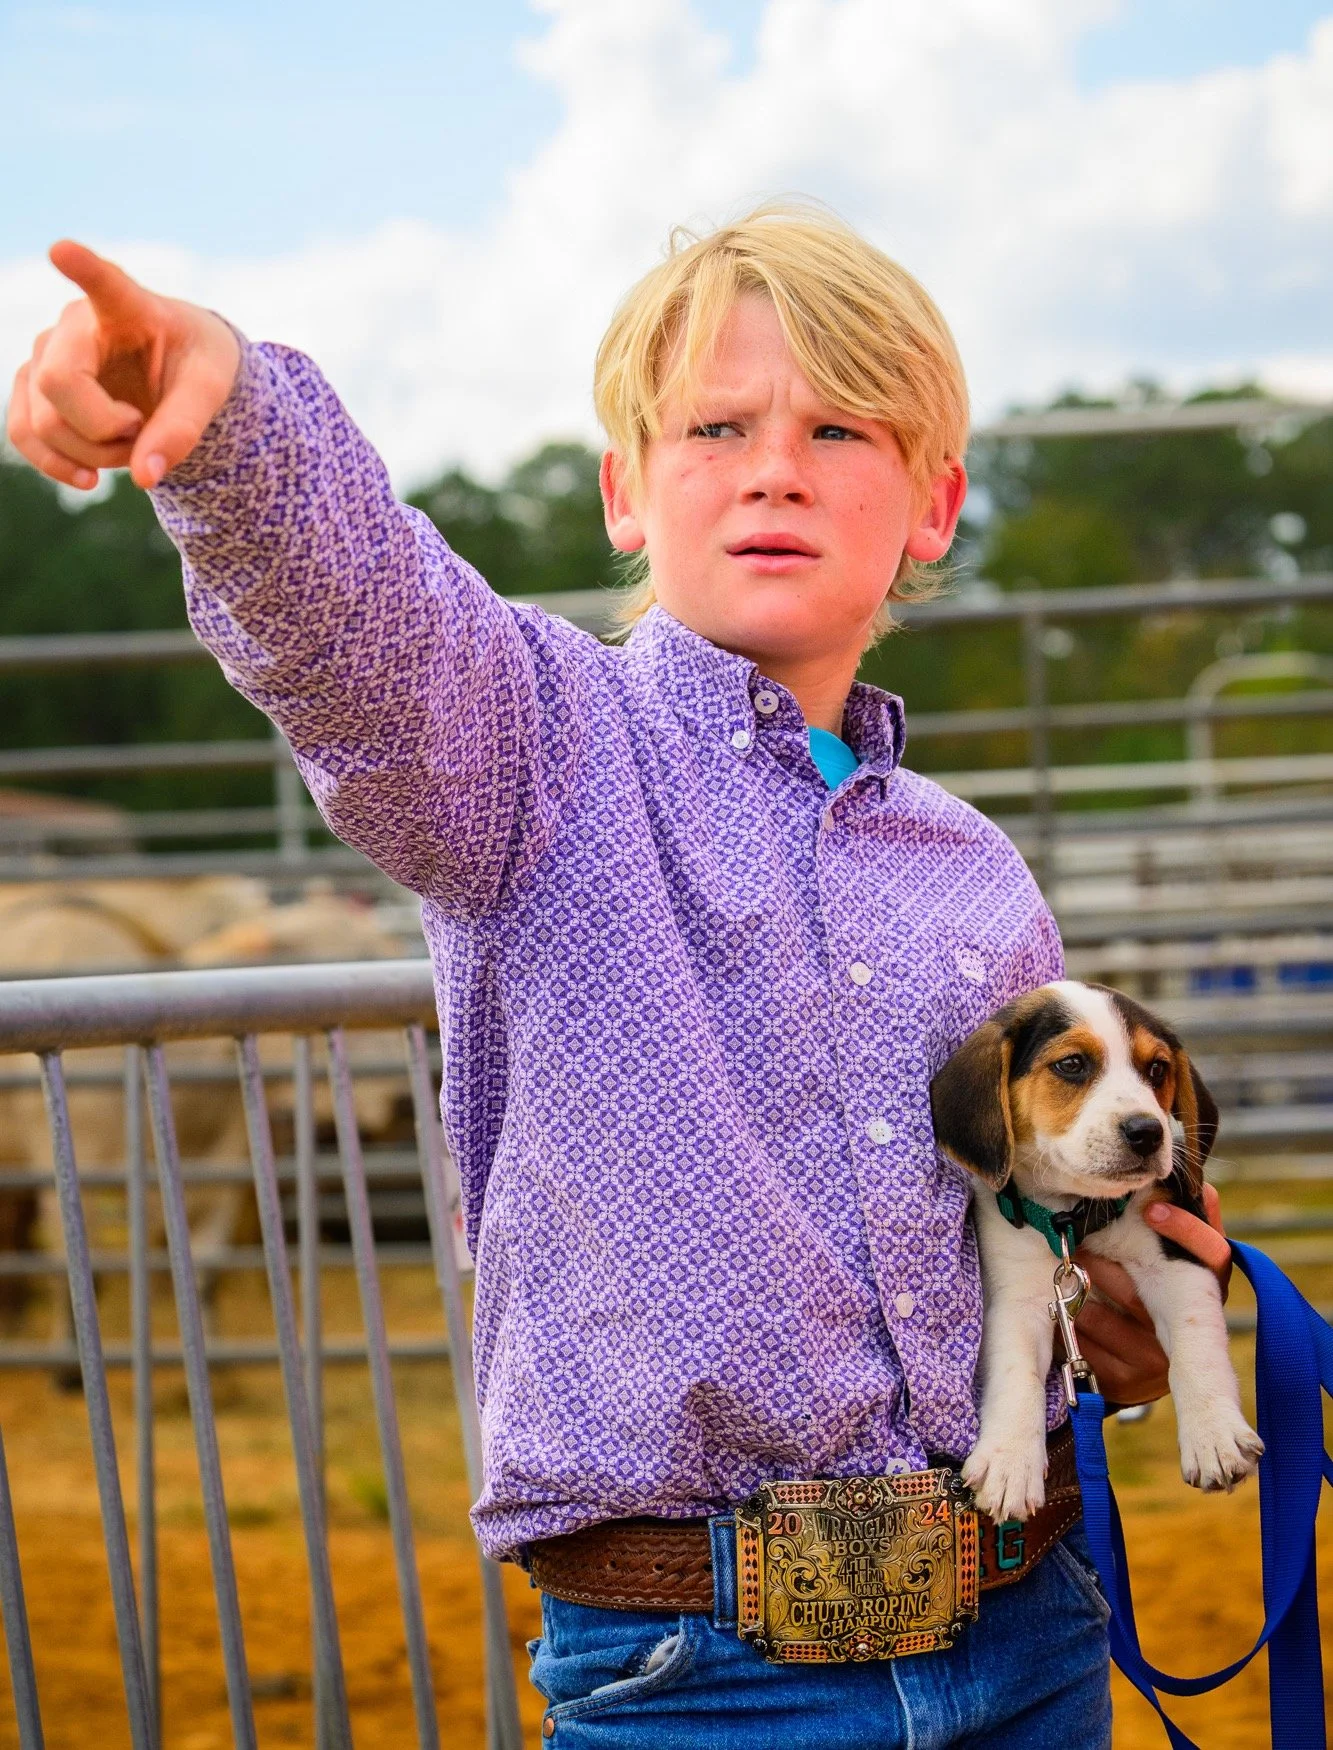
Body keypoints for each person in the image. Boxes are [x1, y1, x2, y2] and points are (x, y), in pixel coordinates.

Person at [9, 204, 1231, 1748]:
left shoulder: (974, 867)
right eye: (717, 424)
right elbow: (363, 633)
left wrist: (1109, 1317)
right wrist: (228, 410)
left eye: (840, 426)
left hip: (1028, 1622)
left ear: (933, 505)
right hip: (694, 1669)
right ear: (625, 492)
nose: (776, 463)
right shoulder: (532, 748)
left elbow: (1018, 1209)